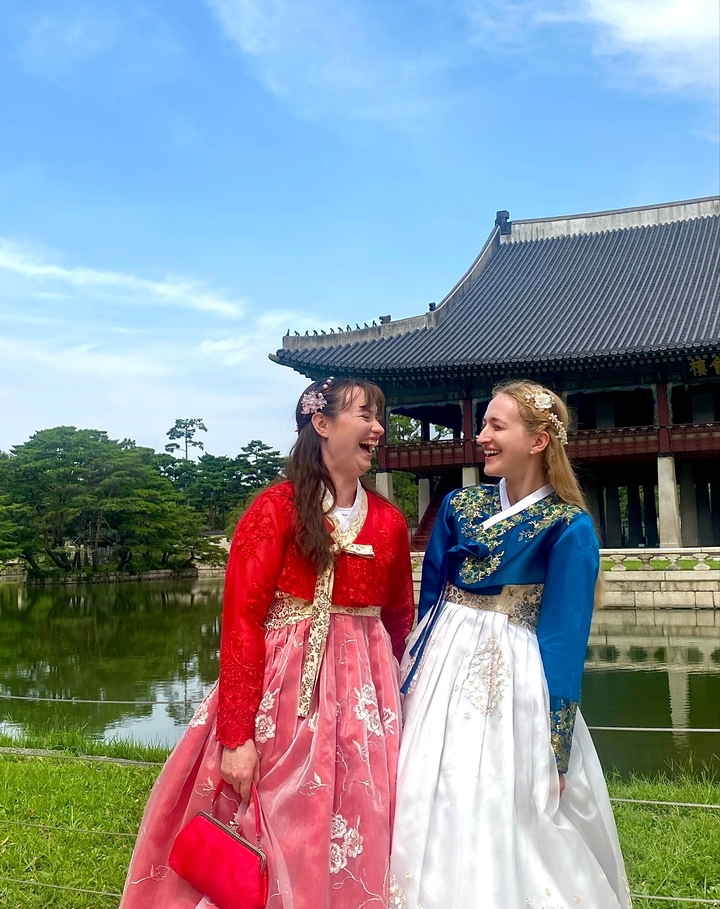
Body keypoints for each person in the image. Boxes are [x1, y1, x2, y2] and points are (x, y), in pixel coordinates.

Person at [120, 376, 415, 909]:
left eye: (380, 419)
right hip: (282, 700)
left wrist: (406, 701)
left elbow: (398, 623)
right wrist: (236, 736)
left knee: (365, 822)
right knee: (277, 822)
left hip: (367, 708)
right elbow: (240, 623)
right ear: (321, 425)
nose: (378, 429)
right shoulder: (275, 509)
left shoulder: (391, 523)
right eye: (365, 416)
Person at [389, 380, 631, 909]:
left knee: (506, 799)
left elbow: (565, 639)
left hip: (513, 678)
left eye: (497, 426)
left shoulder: (570, 527)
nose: (481, 437)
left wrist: (557, 743)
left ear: (539, 440)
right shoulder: (458, 505)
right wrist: (407, 676)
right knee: (421, 783)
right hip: (439, 668)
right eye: (483, 426)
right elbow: (429, 602)